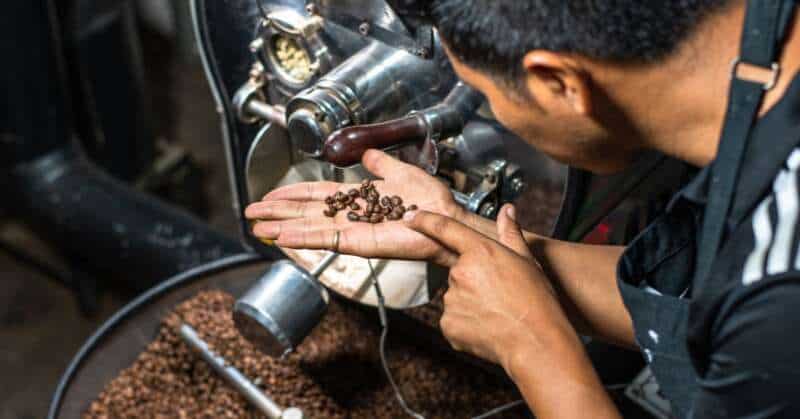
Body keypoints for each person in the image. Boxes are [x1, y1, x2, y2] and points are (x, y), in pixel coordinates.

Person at [246, 0, 800, 417]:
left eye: (482, 92)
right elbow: (704, 297)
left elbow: (756, 313)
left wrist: (532, 344)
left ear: (558, 82)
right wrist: (464, 235)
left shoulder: (778, 299)